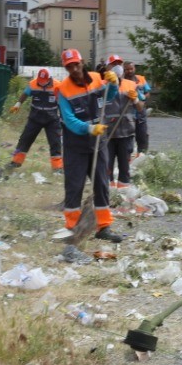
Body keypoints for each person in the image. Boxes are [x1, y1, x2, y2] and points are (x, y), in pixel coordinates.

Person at [55, 48, 125, 263]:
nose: (74, 69)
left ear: (82, 62)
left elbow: (109, 97)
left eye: (76, 64)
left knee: (101, 184)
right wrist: (88, 128)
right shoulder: (63, 90)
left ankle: (104, 227)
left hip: (97, 144)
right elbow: (68, 120)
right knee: (74, 187)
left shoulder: (95, 78)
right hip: (76, 145)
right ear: (66, 68)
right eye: (69, 67)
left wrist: (113, 83)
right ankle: (71, 228)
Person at [8, 67, 64, 172]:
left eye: (44, 81)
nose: (41, 83)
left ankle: (57, 167)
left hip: (52, 119)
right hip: (35, 118)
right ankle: (16, 162)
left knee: (55, 142)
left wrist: (63, 117)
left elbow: (62, 102)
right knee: (25, 139)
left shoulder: (58, 85)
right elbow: (25, 94)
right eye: (40, 80)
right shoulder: (33, 84)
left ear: (49, 78)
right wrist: (18, 104)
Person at [99, 54, 139, 188]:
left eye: (119, 64)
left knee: (125, 168)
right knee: (106, 166)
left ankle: (123, 194)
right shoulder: (101, 86)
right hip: (108, 134)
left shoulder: (131, 84)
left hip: (126, 133)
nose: (117, 67)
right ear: (107, 68)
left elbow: (140, 108)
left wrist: (136, 99)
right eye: (113, 64)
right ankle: (108, 193)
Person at [123, 60, 152, 158]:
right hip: (127, 114)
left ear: (134, 68)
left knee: (142, 136)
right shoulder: (122, 81)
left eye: (131, 69)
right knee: (127, 138)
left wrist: (143, 97)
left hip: (140, 113)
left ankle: (142, 156)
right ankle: (127, 158)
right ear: (124, 70)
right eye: (127, 69)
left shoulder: (141, 79)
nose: (129, 71)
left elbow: (147, 93)